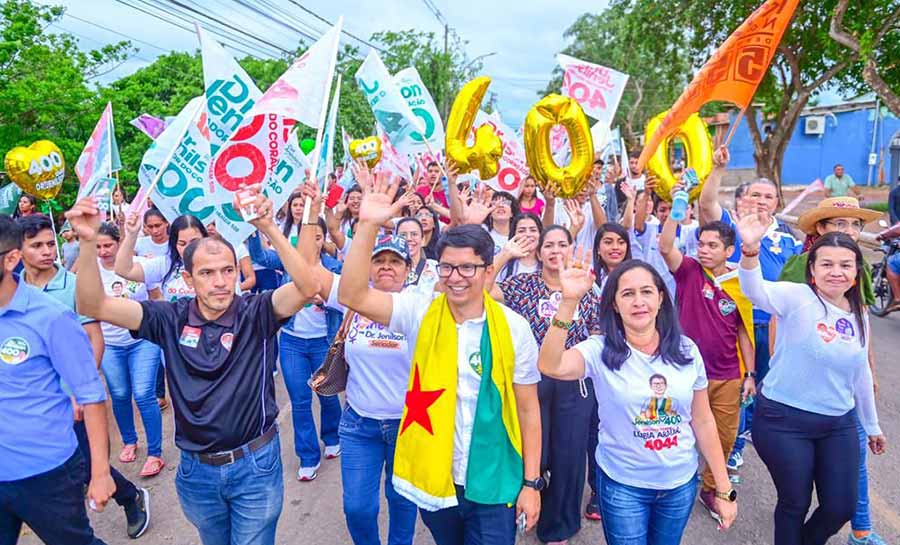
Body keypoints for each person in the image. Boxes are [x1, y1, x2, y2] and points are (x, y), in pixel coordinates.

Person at [69, 189, 319, 545]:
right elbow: (93, 302)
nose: (219, 282)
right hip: (196, 472)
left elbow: (308, 287)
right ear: (188, 280)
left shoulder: (257, 312)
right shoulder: (168, 318)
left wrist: (268, 226)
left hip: (255, 467)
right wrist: (88, 241)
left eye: (227, 271)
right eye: (207, 273)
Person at [338, 168, 542, 545]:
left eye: (468, 267)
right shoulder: (420, 311)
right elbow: (352, 296)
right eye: (447, 267)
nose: (456, 277)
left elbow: (528, 410)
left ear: (487, 270)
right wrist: (367, 224)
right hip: (436, 478)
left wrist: (531, 483)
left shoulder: (514, 329)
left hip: (494, 480)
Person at [537, 258, 737, 545]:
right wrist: (569, 301)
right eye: (627, 293)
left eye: (646, 291)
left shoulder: (686, 349)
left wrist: (723, 488)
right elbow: (550, 365)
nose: (638, 301)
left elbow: (703, 420)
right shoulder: (600, 350)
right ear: (615, 304)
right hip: (623, 485)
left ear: (660, 298)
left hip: (679, 484)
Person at [735, 214, 886, 545]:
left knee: (840, 506)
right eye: (827, 264)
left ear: (857, 272)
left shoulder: (858, 313)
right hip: (783, 421)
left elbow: (860, 372)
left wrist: (872, 425)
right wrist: (749, 250)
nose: (836, 272)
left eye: (845, 265)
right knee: (795, 502)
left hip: (837, 422)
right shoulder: (797, 297)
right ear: (813, 270)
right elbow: (754, 289)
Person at [288, 179, 419, 545]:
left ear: (408, 270)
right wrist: (312, 211)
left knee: (402, 501)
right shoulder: (351, 299)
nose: (388, 268)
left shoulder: (421, 304)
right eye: (380, 261)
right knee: (358, 508)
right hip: (359, 423)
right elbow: (307, 271)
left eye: (396, 262)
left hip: (408, 425)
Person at [15, 214, 151, 538]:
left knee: (84, 464)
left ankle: (130, 498)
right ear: (17, 251)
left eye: (51, 244)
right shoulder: (12, 289)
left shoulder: (73, 285)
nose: (47, 251)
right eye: (36, 246)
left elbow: (94, 339)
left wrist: (79, 391)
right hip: (35, 401)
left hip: (70, 396)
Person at [0, 214, 116, 545]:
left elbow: (91, 395)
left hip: (47, 472)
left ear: (11, 259)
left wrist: (100, 473)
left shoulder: (50, 316)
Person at [780, 197, 886, 545]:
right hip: (805, 387)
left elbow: (862, 319)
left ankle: (861, 528)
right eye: (840, 224)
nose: (850, 231)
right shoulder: (800, 266)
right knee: (803, 483)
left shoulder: (860, 268)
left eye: (855, 224)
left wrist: (868, 371)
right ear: (821, 228)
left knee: (855, 453)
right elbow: (780, 325)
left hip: (846, 377)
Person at [488, 228, 602, 545]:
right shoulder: (523, 286)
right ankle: (526, 504)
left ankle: (558, 526)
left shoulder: (586, 287)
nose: (555, 250)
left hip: (572, 381)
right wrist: (505, 255)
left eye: (562, 244)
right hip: (529, 380)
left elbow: (598, 333)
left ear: (570, 249)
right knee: (529, 450)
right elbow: (482, 291)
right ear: (538, 254)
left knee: (568, 456)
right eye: (548, 245)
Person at [699, 146, 802, 472]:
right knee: (740, 384)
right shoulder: (731, 225)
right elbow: (706, 203)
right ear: (743, 199)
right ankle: (732, 449)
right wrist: (717, 170)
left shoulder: (790, 241)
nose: (761, 200)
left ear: (777, 202)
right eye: (755, 194)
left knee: (766, 387)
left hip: (773, 326)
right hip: (735, 321)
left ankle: (751, 433)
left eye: (768, 196)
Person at [658, 211, 756, 523]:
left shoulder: (740, 282)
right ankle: (669, 483)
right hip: (684, 371)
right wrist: (675, 212)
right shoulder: (688, 270)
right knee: (675, 430)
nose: (704, 250)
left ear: (730, 251)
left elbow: (744, 332)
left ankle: (711, 488)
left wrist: (750, 374)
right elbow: (665, 248)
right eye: (701, 244)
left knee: (725, 436)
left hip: (727, 374)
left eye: (712, 245)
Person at [246, 213, 343, 482]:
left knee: (326, 393)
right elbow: (261, 256)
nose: (309, 242)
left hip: (324, 342)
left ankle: (333, 436)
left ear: (322, 239)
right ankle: (308, 456)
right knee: (300, 399)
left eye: (315, 236)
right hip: (292, 342)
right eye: (303, 237)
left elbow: (347, 299)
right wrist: (252, 228)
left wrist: (325, 301)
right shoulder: (287, 263)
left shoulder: (335, 267)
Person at [94, 222, 166, 477]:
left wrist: (166, 329)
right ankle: (129, 440)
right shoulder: (90, 272)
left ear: (119, 242)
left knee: (144, 393)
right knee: (120, 394)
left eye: (108, 245)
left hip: (143, 341)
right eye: (98, 246)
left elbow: (157, 298)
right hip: (110, 344)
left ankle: (155, 452)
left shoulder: (138, 264)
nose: (103, 251)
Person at [205, 221, 257, 293]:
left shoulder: (238, 246)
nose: (210, 228)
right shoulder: (199, 249)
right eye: (207, 224)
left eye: (214, 224)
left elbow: (251, 279)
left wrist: (234, 290)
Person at [493, 213, 543, 283]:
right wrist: (505, 255)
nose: (528, 234)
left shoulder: (548, 262)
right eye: (521, 231)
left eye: (533, 230)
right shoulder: (503, 263)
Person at [395, 217, 440, 293]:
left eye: (414, 234)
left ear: (423, 240)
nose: (408, 239)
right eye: (403, 235)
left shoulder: (436, 268)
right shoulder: (389, 270)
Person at [484, 190, 521, 255]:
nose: (501, 206)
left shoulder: (520, 237)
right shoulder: (482, 232)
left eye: (506, 202)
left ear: (512, 212)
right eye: (495, 203)